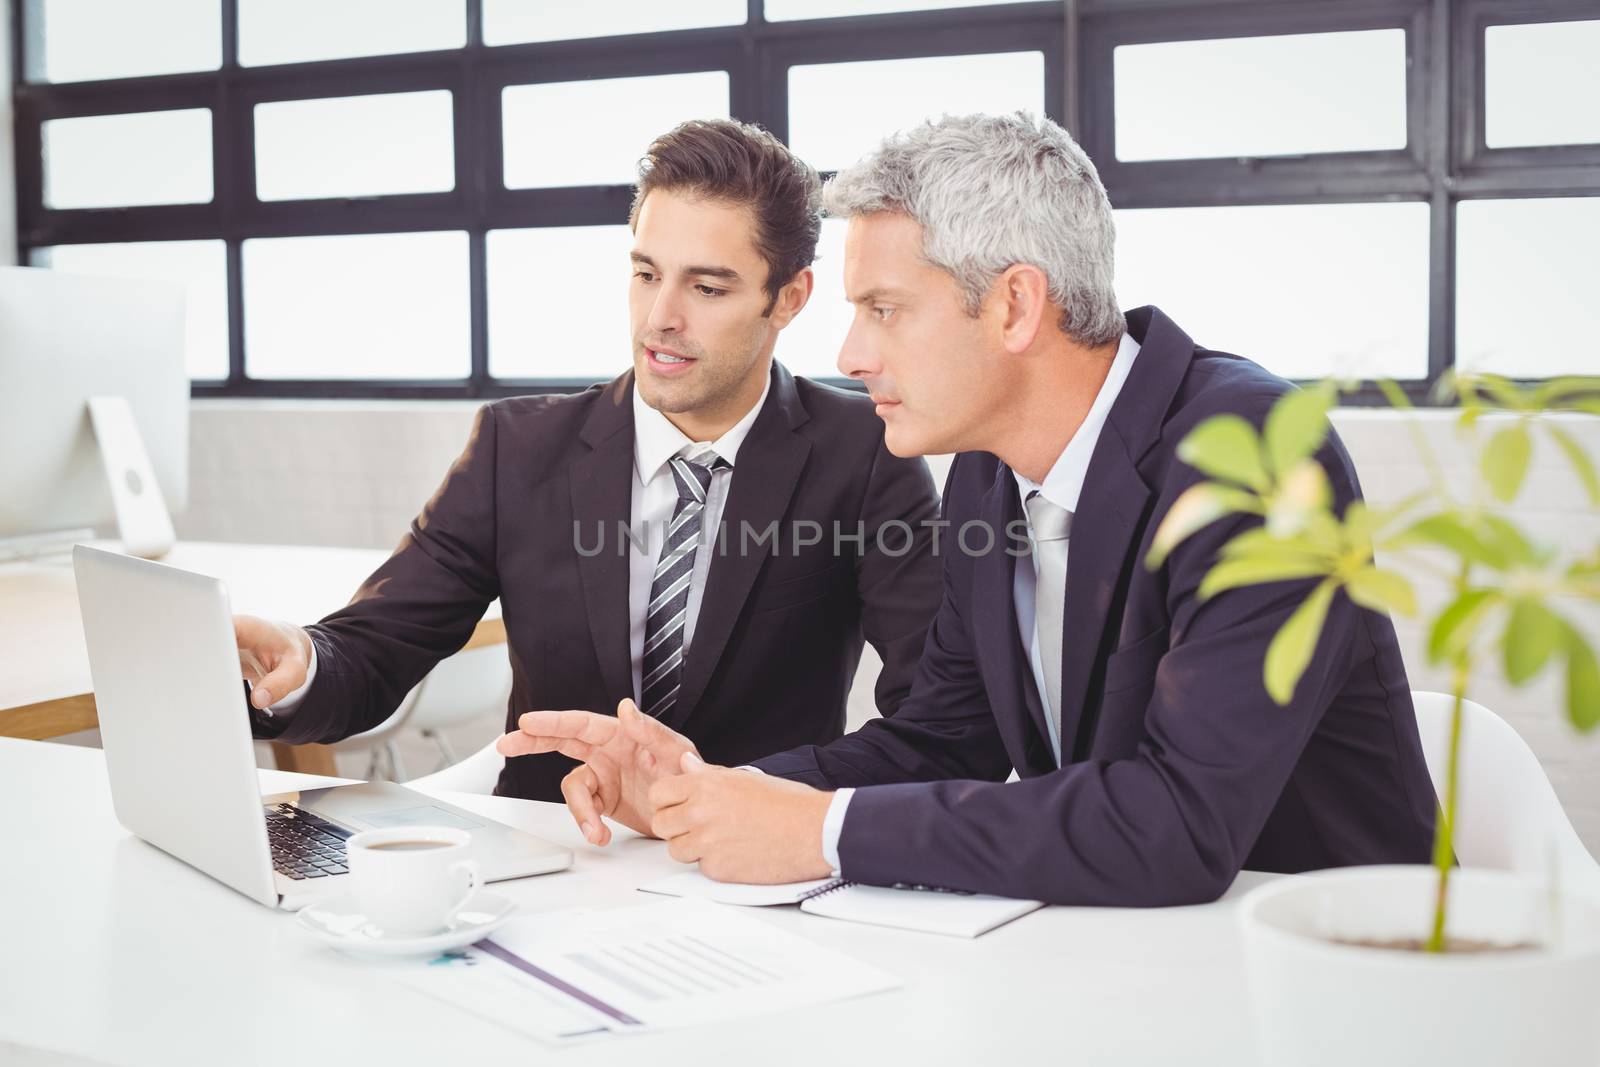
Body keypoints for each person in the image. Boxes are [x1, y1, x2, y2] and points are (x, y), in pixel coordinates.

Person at [503, 112, 1437, 904]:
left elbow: (1181, 823)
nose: (853, 352)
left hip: (1330, 953)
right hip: (1135, 951)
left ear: (1016, 307)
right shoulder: (990, 470)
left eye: (884, 308)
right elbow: (945, 739)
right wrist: (711, 790)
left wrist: (827, 831)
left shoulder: (1257, 458)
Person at [234, 118, 945, 804]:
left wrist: (740, 798)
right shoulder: (516, 449)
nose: (660, 317)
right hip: (548, 857)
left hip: (749, 875)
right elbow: (380, 644)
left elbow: (933, 718)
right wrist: (303, 665)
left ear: (787, 298)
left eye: (707, 287)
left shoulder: (867, 455)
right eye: (646, 273)